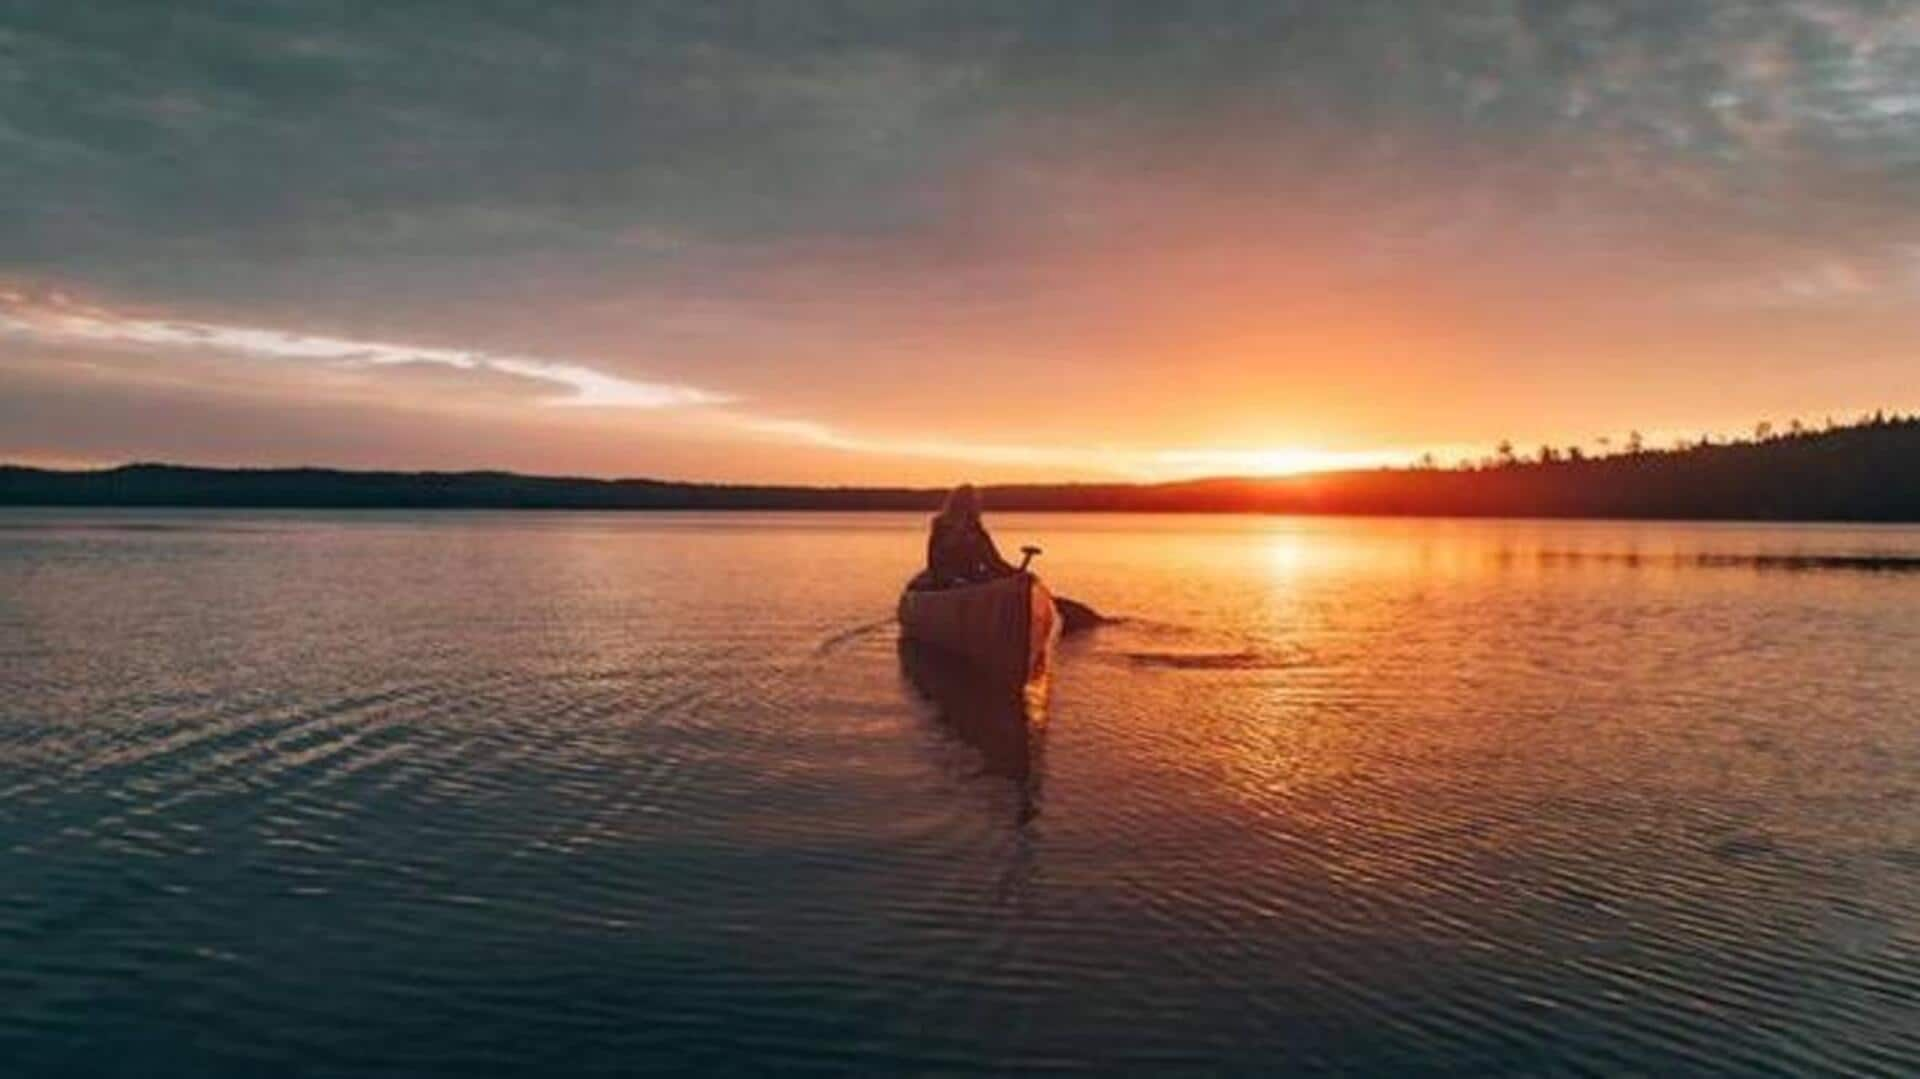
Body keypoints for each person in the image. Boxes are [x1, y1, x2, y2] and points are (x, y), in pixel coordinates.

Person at [923, 484, 1018, 587]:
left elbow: (993, 561)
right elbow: (935, 562)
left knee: (993, 577)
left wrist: (1014, 573)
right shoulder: (942, 529)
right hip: (947, 582)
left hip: (971, 579)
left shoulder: (978, 531)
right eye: (974, 502)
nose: (978, 507)